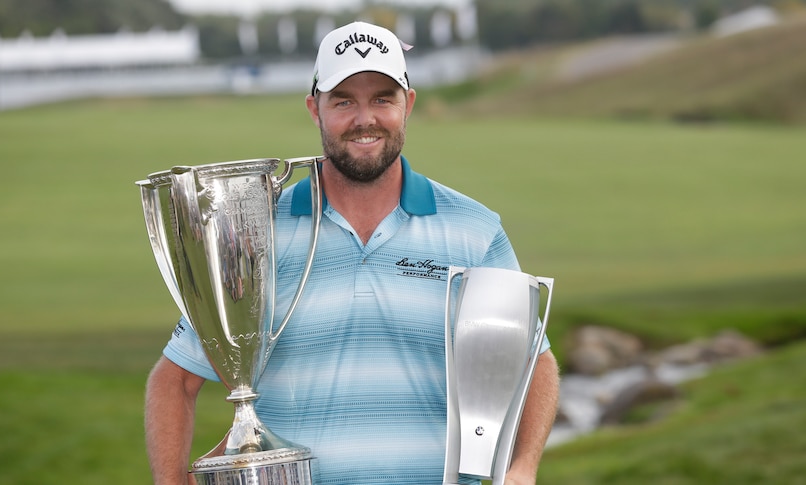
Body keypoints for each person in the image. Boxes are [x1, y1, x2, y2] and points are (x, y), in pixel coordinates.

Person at [144, 21, 559, 485]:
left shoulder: (474, 230)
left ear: (409, 105)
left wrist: (523, 468)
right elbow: (174, 380)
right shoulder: (256, 233)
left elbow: (532, 362)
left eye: (382, 98)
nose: (365, 118)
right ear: (314, 110)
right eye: (344, 101)